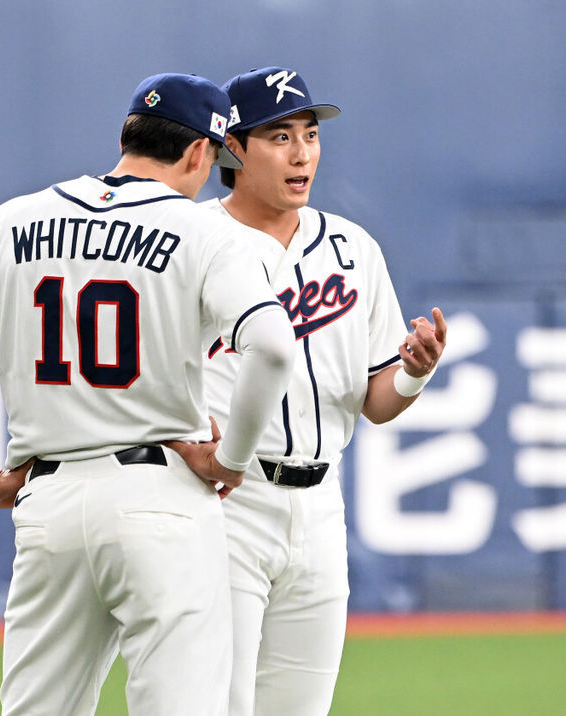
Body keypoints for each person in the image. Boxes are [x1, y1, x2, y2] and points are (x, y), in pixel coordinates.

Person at [0, 73, 296, 716]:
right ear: (199, 153)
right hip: (160, 498)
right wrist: (230, 462)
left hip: (48, 501)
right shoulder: (204, 232)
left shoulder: (14, 218)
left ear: (127, 136)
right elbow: (273, 348)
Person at [200, 66, 447, 716]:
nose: (303, 151)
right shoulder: (193, 242)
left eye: (310, 133)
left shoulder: (352, 248)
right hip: (227, 502)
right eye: (279, 136)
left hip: (319, 509)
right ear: (233, 147)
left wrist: (415, 371)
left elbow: (377, 400)